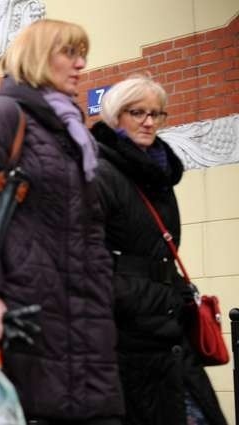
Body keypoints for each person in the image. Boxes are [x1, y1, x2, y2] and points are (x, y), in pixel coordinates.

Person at [0, 19, 124, 424]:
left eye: (82, 54)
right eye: (69, 53)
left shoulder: (74, 135)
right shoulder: (6, 116)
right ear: (38, 57)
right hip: (19, 322)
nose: (81, 64)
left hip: (82, 326)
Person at [91, 75, 227, 425]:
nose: (149, 122)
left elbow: (162, 251)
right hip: (127, 339)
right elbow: (86, 255)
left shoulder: (157, 175)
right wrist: (134, 297)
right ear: (114, 116)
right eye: (138, 112)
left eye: (157, 114)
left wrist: (177, 296)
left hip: (169, 328)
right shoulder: (100, 174)